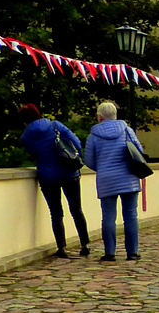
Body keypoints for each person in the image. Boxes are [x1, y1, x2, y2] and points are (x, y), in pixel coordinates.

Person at [18, 104, 90, 259]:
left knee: (56, 212)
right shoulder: (55, 125)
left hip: (48, 176)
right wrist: (77, 155)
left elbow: (33, 152)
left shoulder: (26, 137)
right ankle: (85, 244)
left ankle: (61, 247)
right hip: (69, 172)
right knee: (76, 209)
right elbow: (75, 141)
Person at [82, 100, 145, 262]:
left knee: (108, 216)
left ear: (99, 117)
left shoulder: (93, 136)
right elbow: (139, 151)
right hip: (129, 178)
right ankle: (132, 252)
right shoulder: (127, 131)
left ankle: (110, 252)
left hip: (106, 180)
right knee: (130, 215)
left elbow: (88, 160)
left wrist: (103, 167)